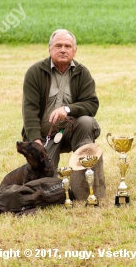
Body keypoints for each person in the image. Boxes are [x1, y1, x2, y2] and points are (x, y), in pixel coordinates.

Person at [21, 29, 101, 172]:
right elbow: (29, 110)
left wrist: (67, 109)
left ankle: (85, 177)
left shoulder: (82, 73)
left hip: (72, 131)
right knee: (44, 177)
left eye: (68, 46)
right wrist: (36, 141)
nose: (63, 50)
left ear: (74, 50)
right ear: (50, 49)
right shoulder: (35, 72)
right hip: (45, 136)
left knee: (86, 122)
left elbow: (91, 104)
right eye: (58, 46)